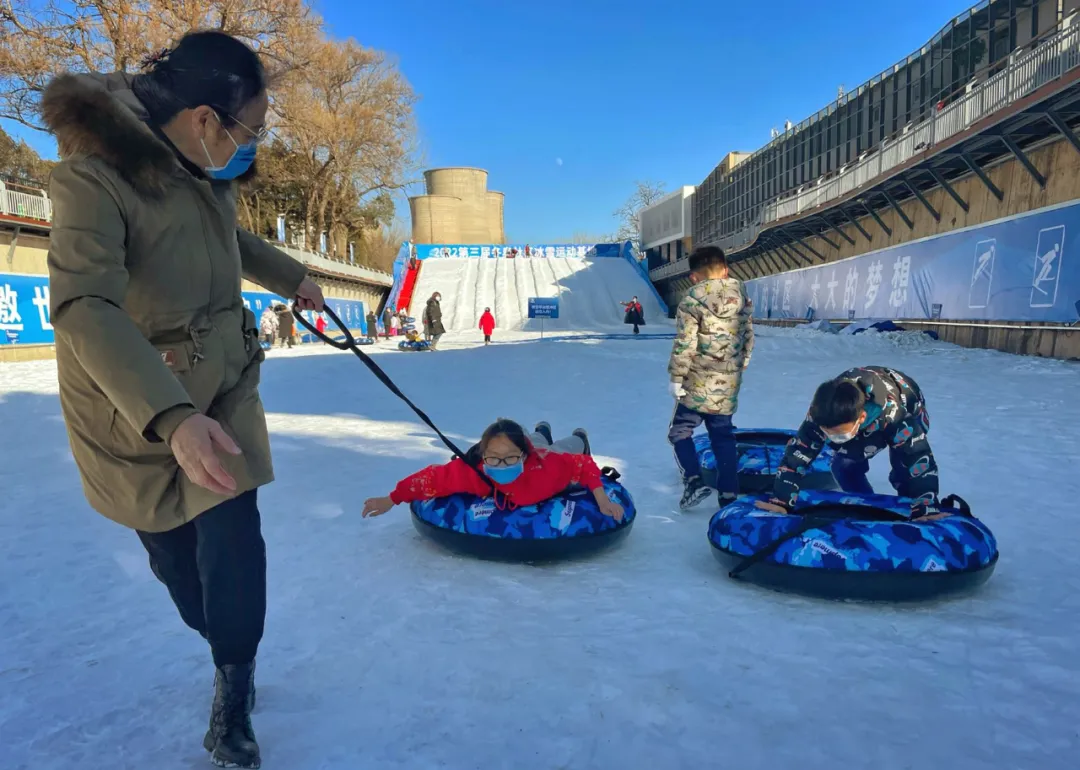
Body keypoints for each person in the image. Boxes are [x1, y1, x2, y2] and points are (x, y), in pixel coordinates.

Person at [42, 30, 325, 769]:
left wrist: (290, 273)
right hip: (136, 405)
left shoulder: (203, 164)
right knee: (179, 569)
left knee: (234, 550)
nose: (252, 144)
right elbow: (83, 308)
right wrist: (170, 418)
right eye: (250, 128)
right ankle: (219, 637)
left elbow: (227, 238)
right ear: (205, 118)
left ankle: (234, 683)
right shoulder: (92, 180)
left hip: (223, 381)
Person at [757, 367, 940, 518]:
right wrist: (782, 499)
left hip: (907, 400)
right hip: (856, 417)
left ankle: (909, 508)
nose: (831, 437)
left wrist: (925, 504)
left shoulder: (896, 418)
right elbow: (796, 456)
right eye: (826, 433)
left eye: (838, 433)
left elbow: (918, 457)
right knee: (843, 467)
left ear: (862, 417)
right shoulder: (821, 413)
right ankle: (867, 508)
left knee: (904, 469)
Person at [361, 419, 624, 519]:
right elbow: (431, 479)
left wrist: (602, 500)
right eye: (493, 459)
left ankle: (579, 436)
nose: (501, 466)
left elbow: (583, 465)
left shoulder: (544, 468)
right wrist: (391, 499)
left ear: (523, 457)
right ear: (483, 456)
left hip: (540, 454)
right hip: (524, 445)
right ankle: (540, 430)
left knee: (557, 448)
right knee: (533, 439)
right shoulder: (474, 473)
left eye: (510, 459)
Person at [667, 246, 754, 510]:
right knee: (723, 436)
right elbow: (748, 337)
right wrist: (740, 366)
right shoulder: (741, 296)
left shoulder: (691, 301)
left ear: (694, 277)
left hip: (697, 382)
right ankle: (728, 494)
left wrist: (676, 376)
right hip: (728, 383)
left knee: (680, 431)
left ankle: (694, 481)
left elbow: (686, 343)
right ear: (725, 269)